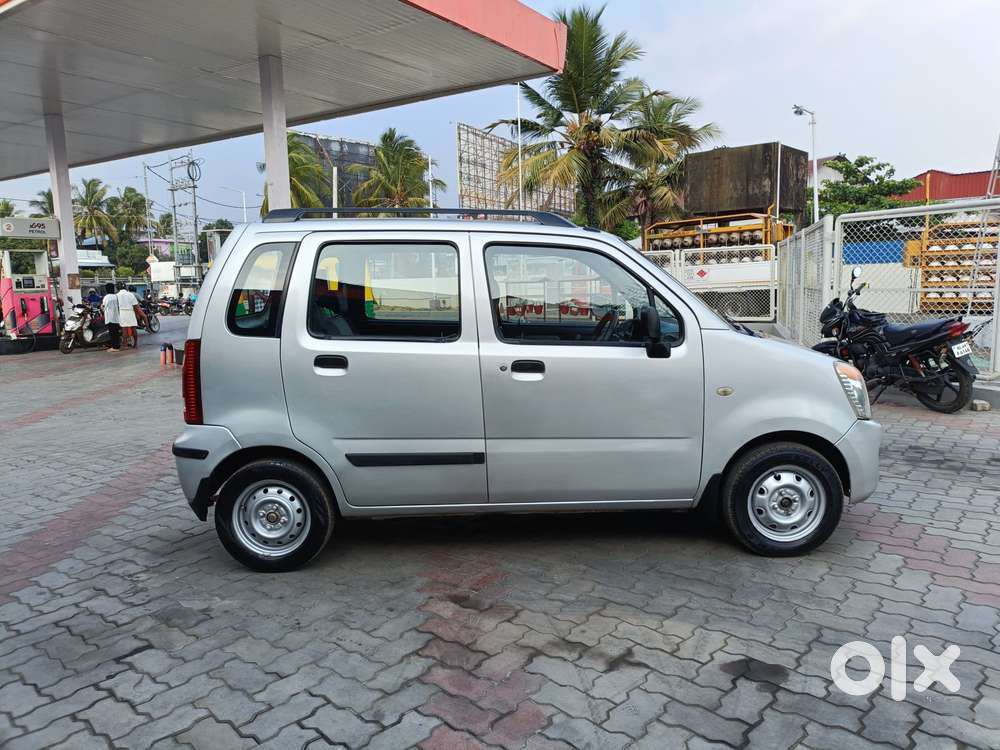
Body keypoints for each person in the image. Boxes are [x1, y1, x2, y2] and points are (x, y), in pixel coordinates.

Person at [117, 284, 145, 348]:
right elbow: (135, 305)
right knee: (133, 328)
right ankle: (135, 344)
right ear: (126, 288)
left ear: (118, 288)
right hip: (131, 311)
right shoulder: (130, 294)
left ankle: (125, 344)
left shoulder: (117, 295)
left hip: (122, 312)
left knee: (124, 328)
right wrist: (136, 314)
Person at [101, 283, 121, 351]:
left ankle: (115, 347)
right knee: (116, 332)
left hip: (109, 317)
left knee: (112, 333)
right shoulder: (116, 296)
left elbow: (103, 307)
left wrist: (101, 308)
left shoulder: (106, 297)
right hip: (116, 317)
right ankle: (117, 346)